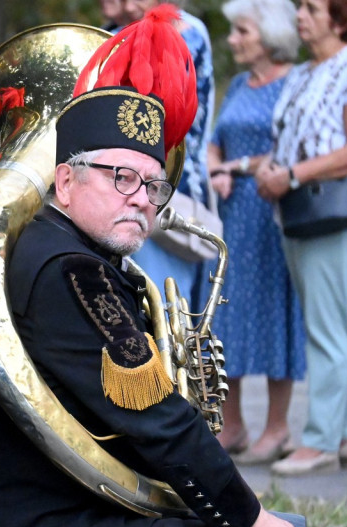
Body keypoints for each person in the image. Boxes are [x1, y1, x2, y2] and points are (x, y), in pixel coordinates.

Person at [0, 86, 338, 527]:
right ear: (65, 183)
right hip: (44, 522)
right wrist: (247, 512)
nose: (143, 201)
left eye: (153, 186)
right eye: (121, 179)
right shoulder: (74, 272)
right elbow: (157, 415)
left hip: (46, 506)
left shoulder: (67, 251)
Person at [254, 0, 347, 475]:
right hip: (297, 214)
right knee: (340, 325)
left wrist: (294, 175)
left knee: (326, 329)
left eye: (313, 8)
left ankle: (318, 441)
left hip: (333, 213)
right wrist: (267, 167)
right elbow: (288, 137)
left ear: (339, 19)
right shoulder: (302, 73)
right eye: (300, 7)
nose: (301, 15)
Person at [206, 0, 305, 464]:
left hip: (272, 214)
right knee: (226, 315)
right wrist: (215, 170)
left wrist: (238, 167)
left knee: (272, 314)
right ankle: (235, 424)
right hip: (232, 217)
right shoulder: (241, 85)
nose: (233, 40)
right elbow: (214, 141)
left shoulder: (295, 83)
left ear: (268, 36)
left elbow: (295, 148)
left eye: (241, 31)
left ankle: (279, 427)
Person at [121, 0, 215, 308]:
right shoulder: (116, 32)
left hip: (167, 191)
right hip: (123, 189)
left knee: (163, 304)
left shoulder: (186, 31)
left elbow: (159, 118)